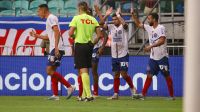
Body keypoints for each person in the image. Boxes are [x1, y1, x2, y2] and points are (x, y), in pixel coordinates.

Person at [29, 4, 75, 101]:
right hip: (55, 47)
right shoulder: (50, 19)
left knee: (49, 71)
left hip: (56, 48)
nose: (38, 13)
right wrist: (36, 35)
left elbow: (57, 32)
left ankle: (69, 86)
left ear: (43, 10)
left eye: (38, 11)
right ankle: (55, 95)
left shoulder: (51, 18)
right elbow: (49, 37)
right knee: (52, 71)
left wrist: (57, 48)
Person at [131, 11, 175, 100]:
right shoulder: (149, 27)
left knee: (166, 75)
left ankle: (171, 96)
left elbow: (162, 40)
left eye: (149, 19)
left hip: (162, 57)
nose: (148, 21)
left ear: (154, 19)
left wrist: (150, 46)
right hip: (153, 58)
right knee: (149, 75)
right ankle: (143, 94)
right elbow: (139, 24)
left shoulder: (161, 28)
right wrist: (134, 16)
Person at [103, 8, 140, 100]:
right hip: (114, 55)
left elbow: (125, 24)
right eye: (113, 19)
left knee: (123, 74)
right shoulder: (111, 27)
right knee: (116, 74)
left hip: (123, 54)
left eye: (116, 19)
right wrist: (106, 15)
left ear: (119, 19)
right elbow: (101, 25)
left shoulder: (124, 27)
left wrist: (119, 15)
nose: (114, 21)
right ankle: (116, 94)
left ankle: (132, 88)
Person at [68, 1, 101, 102]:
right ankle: (83, 95)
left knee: (83, 71)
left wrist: (75, 36)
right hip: (89, 46)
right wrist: (92, 43)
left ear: (79, 8)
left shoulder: (76, 18)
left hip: (80, 45)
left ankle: (89, 95)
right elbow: (99, 35)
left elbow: (70, 33)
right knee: (85, 70)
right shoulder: (93, 19)